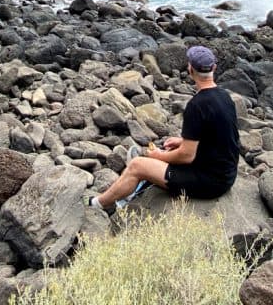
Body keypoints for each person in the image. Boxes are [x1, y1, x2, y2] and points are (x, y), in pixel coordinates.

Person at [87, 45, 240, 212]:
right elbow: (221, 133)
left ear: (190, 70)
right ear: (214, 68)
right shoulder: (224, 96)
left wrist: (160, 156)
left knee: (137, 165)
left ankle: (97, 204)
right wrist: (182, 141)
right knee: (161, 155)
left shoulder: (197, 105)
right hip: (225, 175)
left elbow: (187, 156)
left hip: (208, 182)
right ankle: (136, 186)